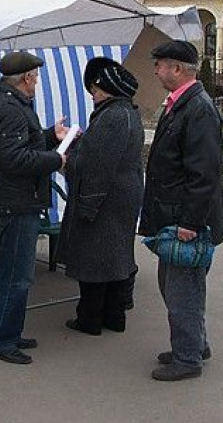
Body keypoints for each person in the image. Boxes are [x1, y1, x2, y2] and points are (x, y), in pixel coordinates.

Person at [139, 40, 223, 382]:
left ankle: (188, 358)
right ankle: (195, 344)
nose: (156, 70)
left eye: (160, 65)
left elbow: (204, 172)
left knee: (181, 289)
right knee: (176, 285)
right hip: (175, 215)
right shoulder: (183, 104)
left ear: (177, 69)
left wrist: (190, 222)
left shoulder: (197, 109)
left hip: (186, 220)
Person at [0, 51, 67, 365]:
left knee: (14, 273)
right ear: (27, 78)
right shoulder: (10, 109)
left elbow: (18, 146)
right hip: (16, 202)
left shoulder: (1, 103)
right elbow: (15, 160)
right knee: (16, 276)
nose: (38, 82)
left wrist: (48, 137)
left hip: (11, 200)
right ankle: (1, 339)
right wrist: (56, 159)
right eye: (36, 77)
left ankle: (8, 332)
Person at [57, 57, 144, 335]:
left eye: (94, 89)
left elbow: (95, 164)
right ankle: (114, 317)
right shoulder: (128, 112)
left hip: (104, 199)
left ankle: (90, 319)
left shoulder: (112, 116)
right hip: (122, 197)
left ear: (105, 88)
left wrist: (66, 162)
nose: (92, 95)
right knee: (116, 259)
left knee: (94, 262)